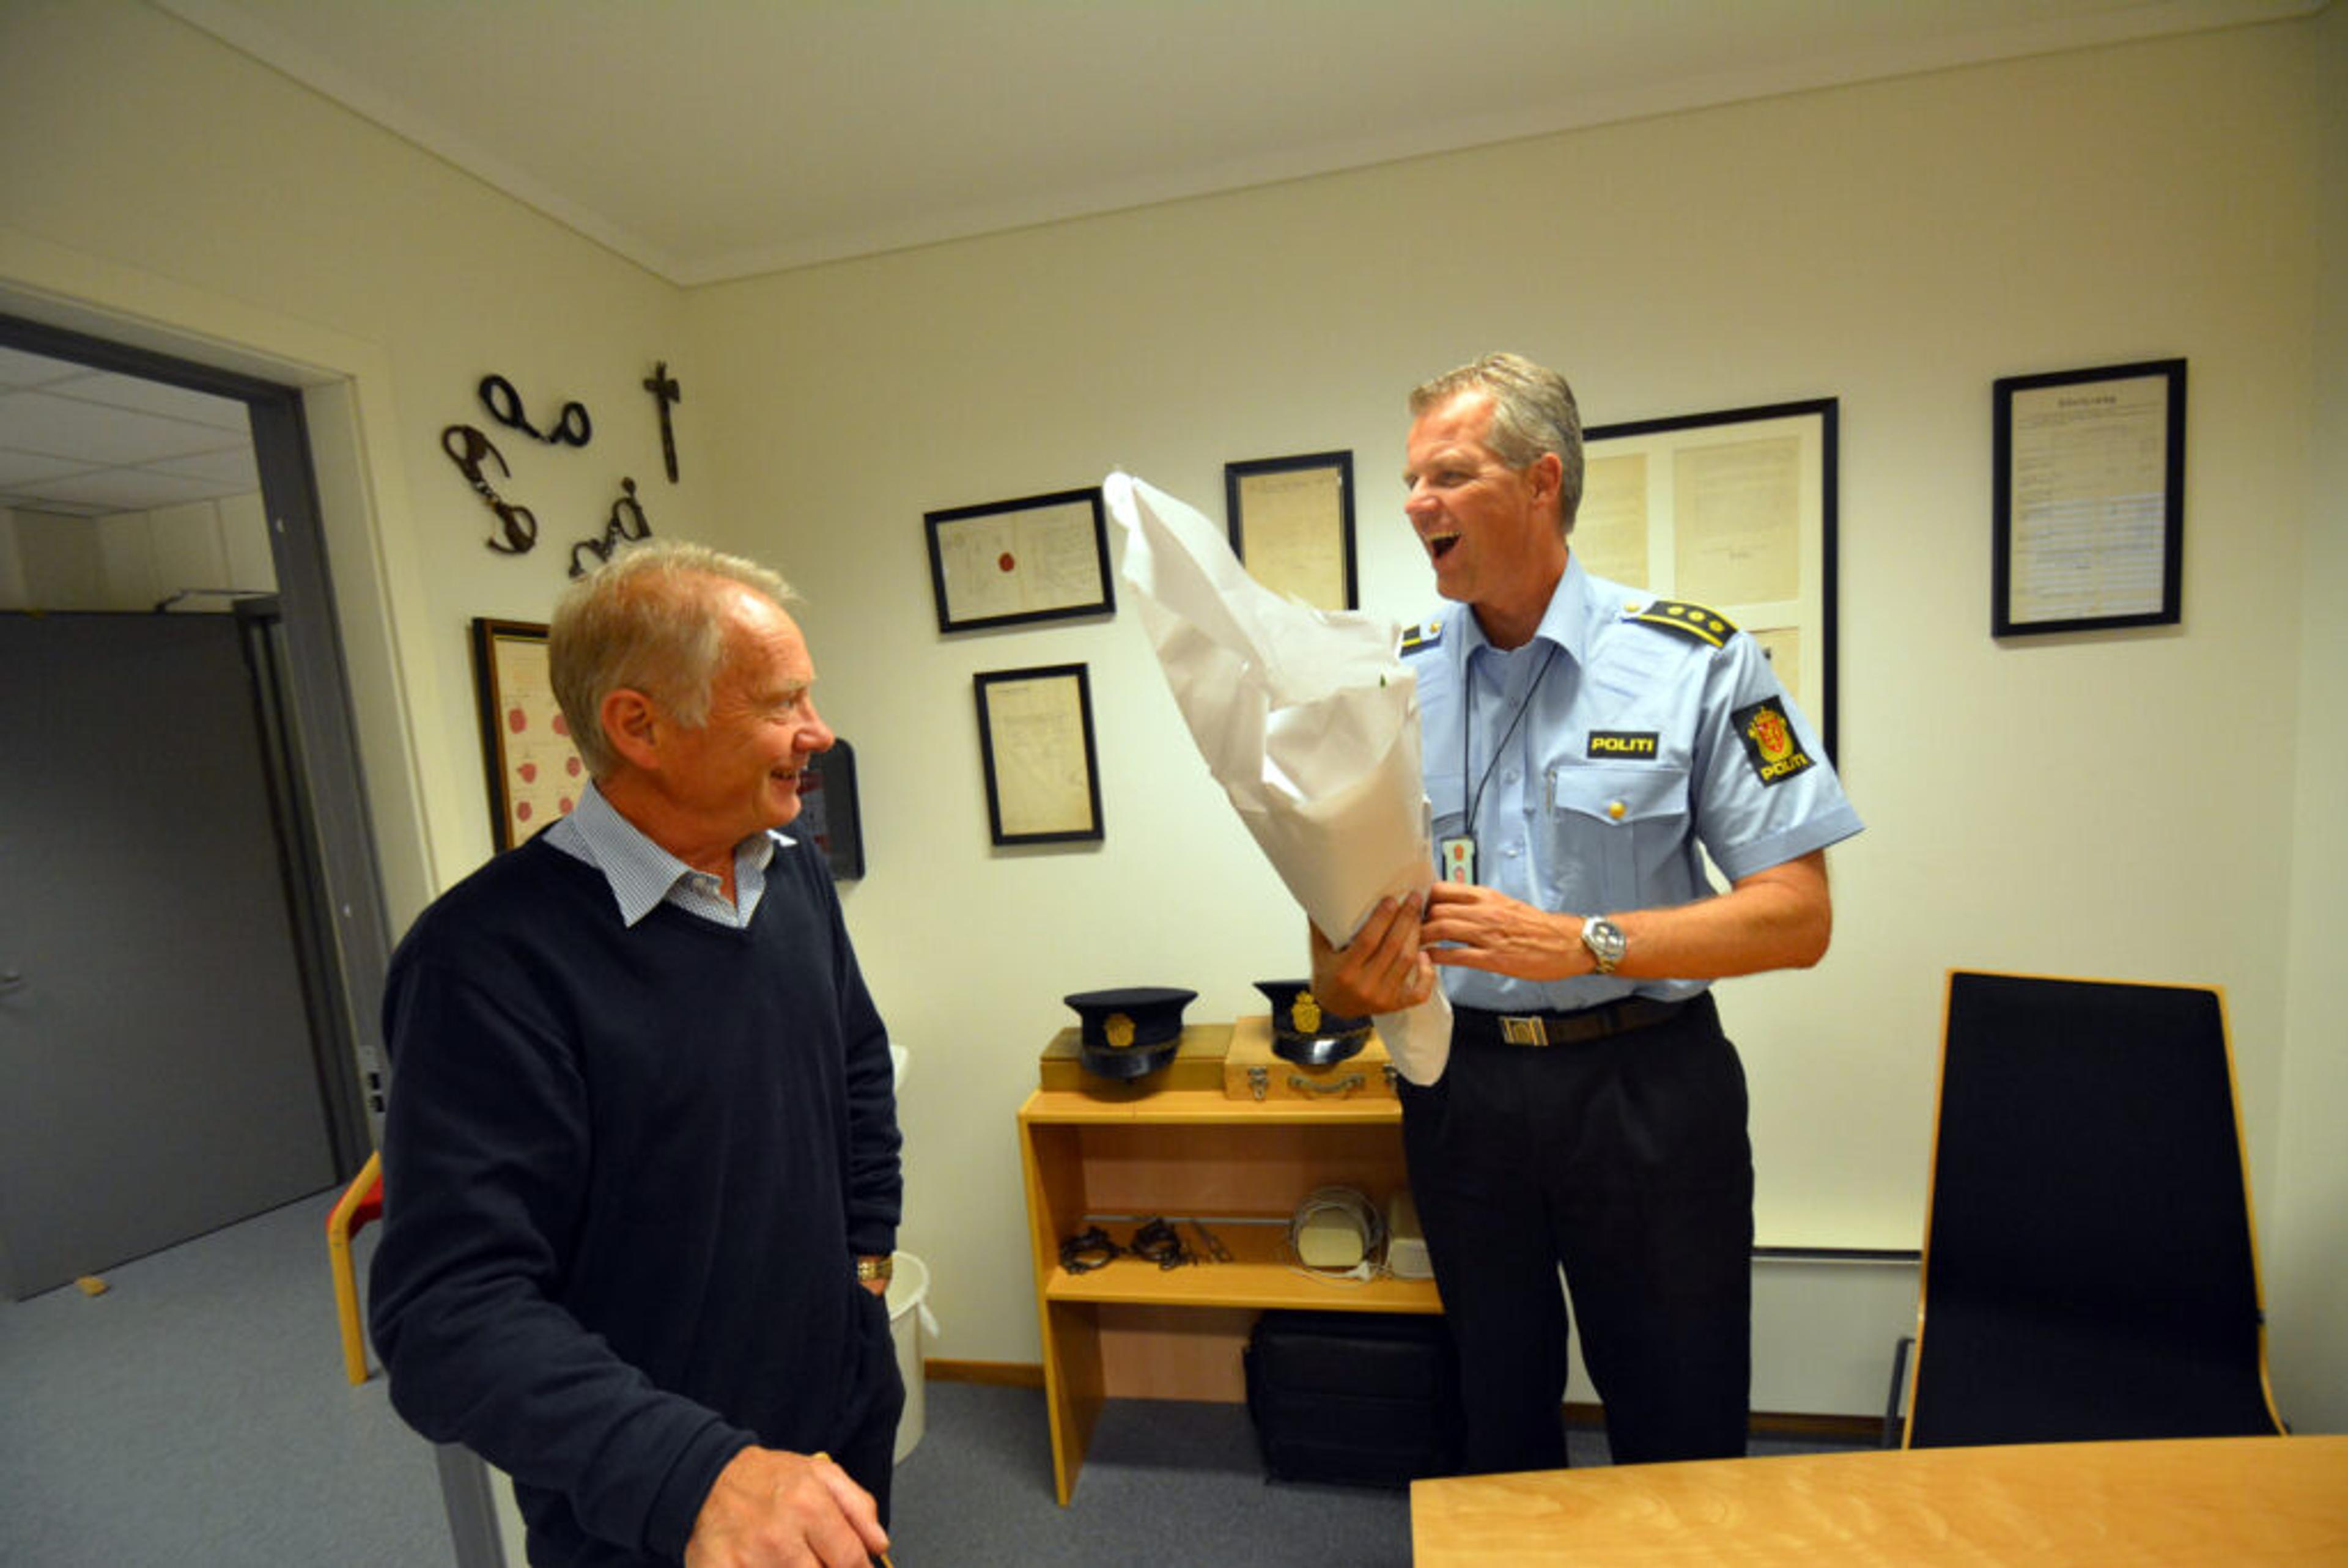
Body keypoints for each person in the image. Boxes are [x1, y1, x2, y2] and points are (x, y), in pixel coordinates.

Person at [1311, 352, 1863, 1474]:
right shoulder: (1387, 684)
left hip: (1647, 1090)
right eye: (1411, 480)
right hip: (1462, 1093)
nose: (1415, 503)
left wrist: (1585, 943)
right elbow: (1333, 947)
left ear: (1541, 481)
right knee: (1495, 1415)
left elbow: (1798, 915)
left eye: (1448, 475)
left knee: (1680, 1416)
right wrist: (1343, 975)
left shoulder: (1697, 660)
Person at [369, 540, 903, 1568]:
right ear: (638, 726)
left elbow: (856, 1069)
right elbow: (445, 1313)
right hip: (661, 1511)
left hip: (841, 1419)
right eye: (781, 702)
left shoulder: (790, 872)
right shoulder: (484, 961)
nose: (819, 731)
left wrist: (865, 1274)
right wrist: (695, 1473)